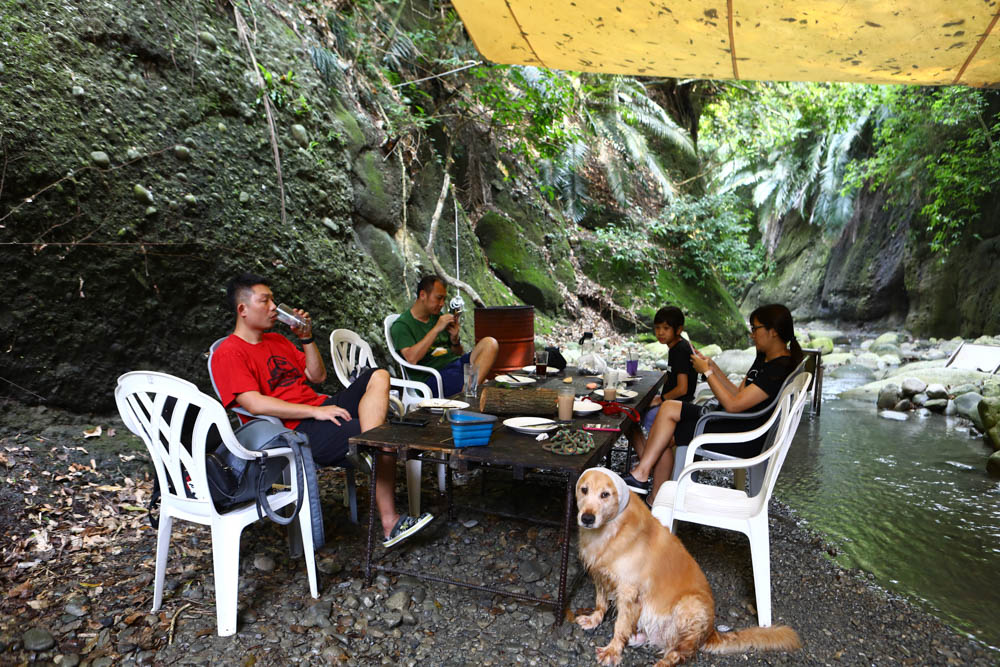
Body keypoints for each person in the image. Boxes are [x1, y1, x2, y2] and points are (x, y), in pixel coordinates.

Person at [211, 272, 432, 548]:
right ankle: (390, 523)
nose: (273, 308)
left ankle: (371, 439)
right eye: (265, 301)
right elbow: (252, 403)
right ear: (242, 309)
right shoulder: (229, 352)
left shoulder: (278, 341)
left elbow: (316, 376)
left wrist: (306, 338)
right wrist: (314, 412)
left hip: (321, 407)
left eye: (273, 300)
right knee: (382, 438)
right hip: (292, 428)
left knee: (378, 375)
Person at [621, 304, 802, 498]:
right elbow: (737, 393)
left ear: (773, 331)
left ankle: (646, 480)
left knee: (667, 429)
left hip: (742, 434)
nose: (752, 334)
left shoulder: (778, 368)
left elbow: (733, 405)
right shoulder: (765, 358)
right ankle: (648, 487)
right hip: (734, 420)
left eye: (755, 328)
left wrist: (706, 373)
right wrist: (713, 367)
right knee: (668, 409)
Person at [390, 275, 498, 398]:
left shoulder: (436, 317)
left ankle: (469, 391)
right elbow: (411, 359)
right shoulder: (402, 325)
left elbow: (457, 353)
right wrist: (436, 329)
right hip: (433, 377)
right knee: (478, 381)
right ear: (423, 295)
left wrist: (454, 340)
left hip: (455, 366)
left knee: (490, 343)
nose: (442, 304)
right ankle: (470, 395)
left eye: (444, 299)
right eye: (438, 298)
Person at [627, 306, 698, 457]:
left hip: (676, 407)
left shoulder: (680, 350)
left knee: (631, 418)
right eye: (657, 328)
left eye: (666, 328)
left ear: (678, 330)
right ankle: (647, 457)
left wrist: (660, 399)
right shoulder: (677, 346)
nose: (660, 332)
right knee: (632, 416)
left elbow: (683, 388)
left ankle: (650, 458)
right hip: (676, 403)